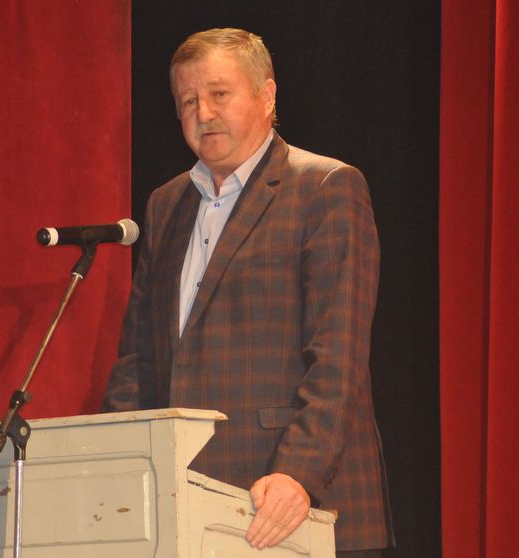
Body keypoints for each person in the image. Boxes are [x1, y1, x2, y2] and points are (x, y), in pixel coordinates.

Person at [102, 28, 393, 556]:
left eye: (219, 93)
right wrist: (119, 462)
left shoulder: (324, 187)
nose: (204, 113)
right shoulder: (166, 204)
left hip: (289, 499)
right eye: (187, 101)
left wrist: (297, 474)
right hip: (187, 503)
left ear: (267, 95)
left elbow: (338, 354)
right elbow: (138, 357)